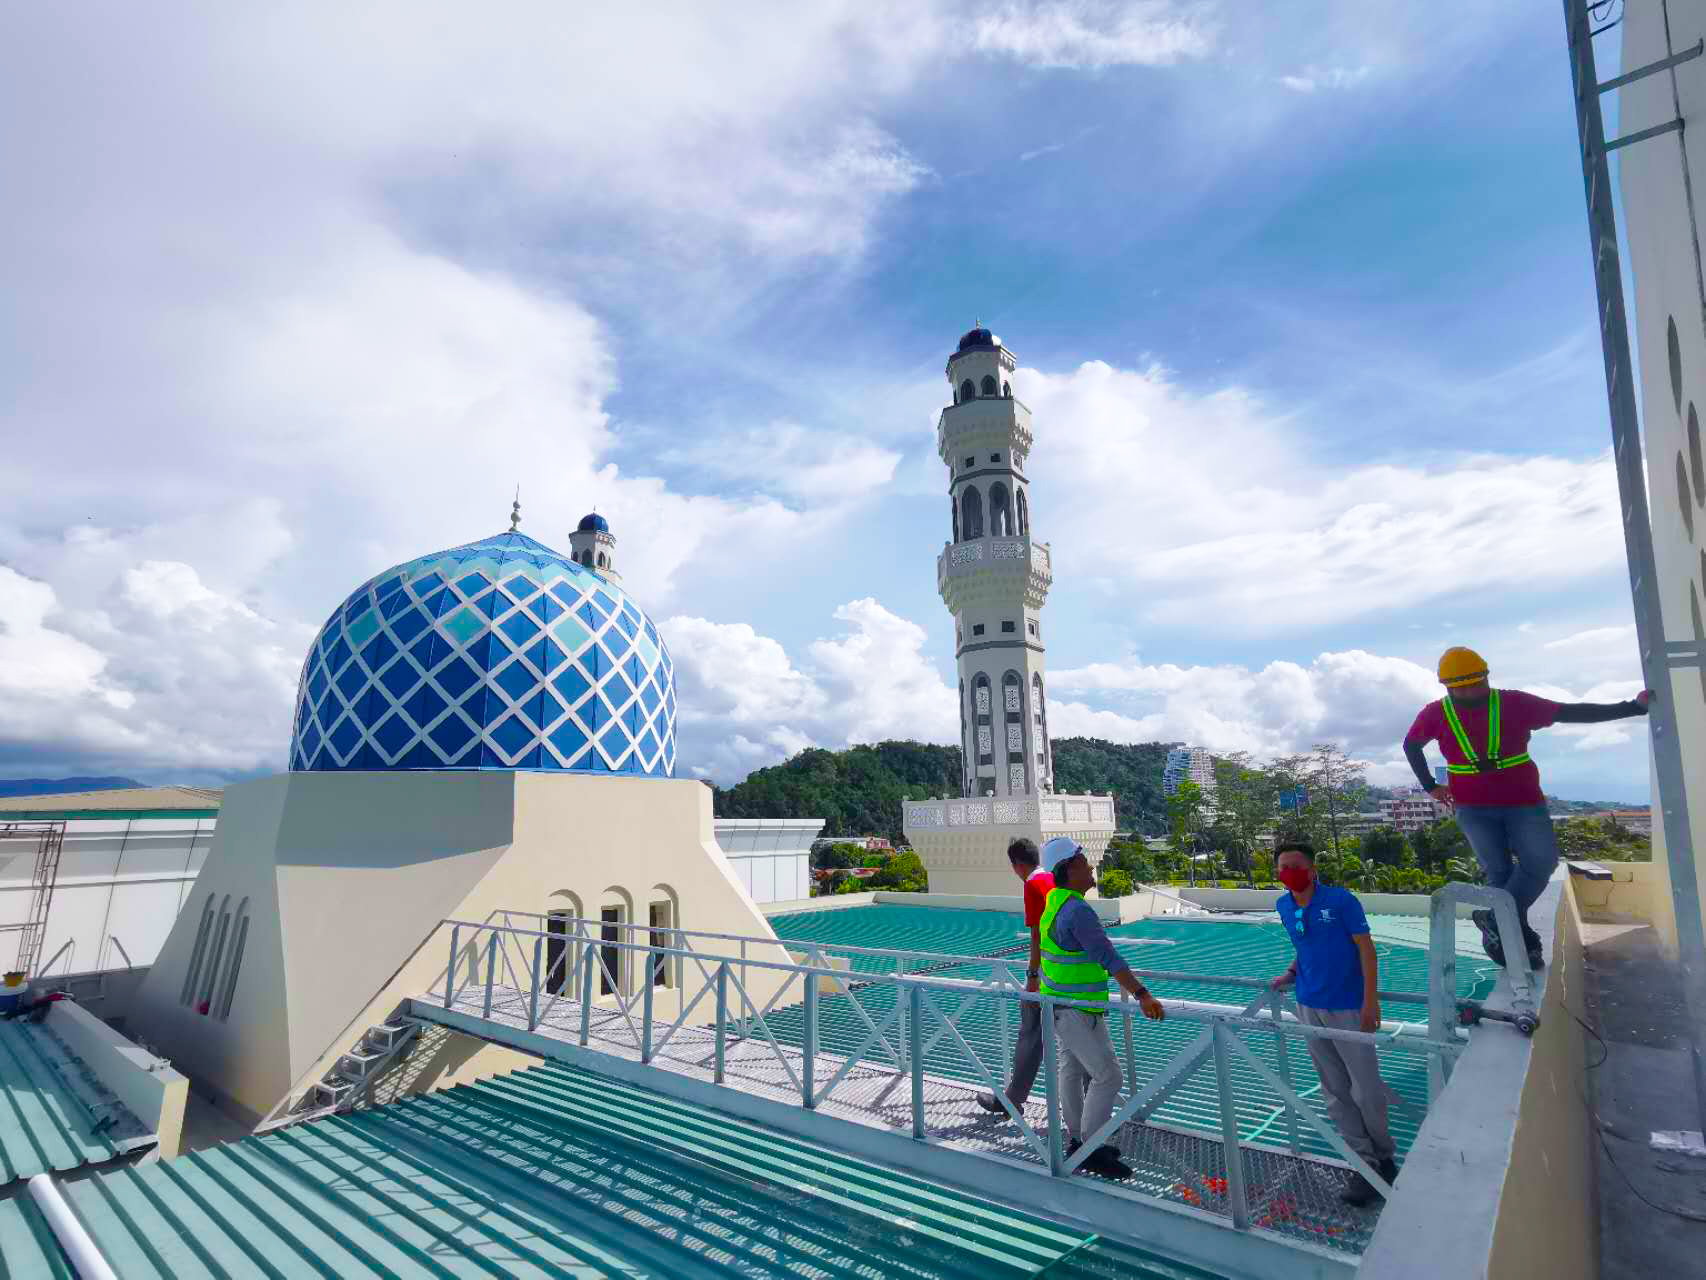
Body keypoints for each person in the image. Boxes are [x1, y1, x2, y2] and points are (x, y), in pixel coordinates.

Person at [1403, 646, 1652, 969]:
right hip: (1473, 808)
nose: (1466, 691)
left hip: (1523, 802)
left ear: (1486, 677)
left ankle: (1494, 920)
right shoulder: (1435, 712)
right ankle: (1513, 947)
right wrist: (1430, 786)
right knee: (1500, 874)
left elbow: (1570, 711)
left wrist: (1632, 707)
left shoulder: (1513, 702)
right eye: (1458, 687)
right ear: (1446, 686)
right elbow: (1411, 745)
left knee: (1541, 862)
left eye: (1473, 683)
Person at [1268, 839, 1398, 1207]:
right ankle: (1364, 1164)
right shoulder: (1283, 905)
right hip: (1309, 1005)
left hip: (1348, 1007)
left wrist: (1370, 1002)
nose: (1288, 872)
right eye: (1282, 867)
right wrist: (1290, 973)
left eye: (1295, 865)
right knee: (1335, 1092)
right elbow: (1304, 945)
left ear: (1312, 869)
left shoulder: (1341, 901)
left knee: (1366, 1090)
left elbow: (1366, 949)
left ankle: (1384, 1158)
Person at [1037, 836, 1166, 1180]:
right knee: (1108, 1076)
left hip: (1061, 1006)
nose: (1090, 865)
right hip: (1077, 1010)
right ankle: (1090, 1149)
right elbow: (1108, 958)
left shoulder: (1055, 902)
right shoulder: (1077, 910)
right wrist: (1142, 994)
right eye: (1082, 861)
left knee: (1072, 1072)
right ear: (1068, 869)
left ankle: (1078, 1139)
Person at [977, 838, 1053, 1116]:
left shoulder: (1032, 885)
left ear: (1017, 865)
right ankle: (1093, 1112)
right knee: (1077, 1043)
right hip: (1071, 972)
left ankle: (1011, 1101)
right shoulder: (1053, 879)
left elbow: (1037, 935)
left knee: (1030, 1032)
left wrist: (1033, 976)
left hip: (1049, 972)